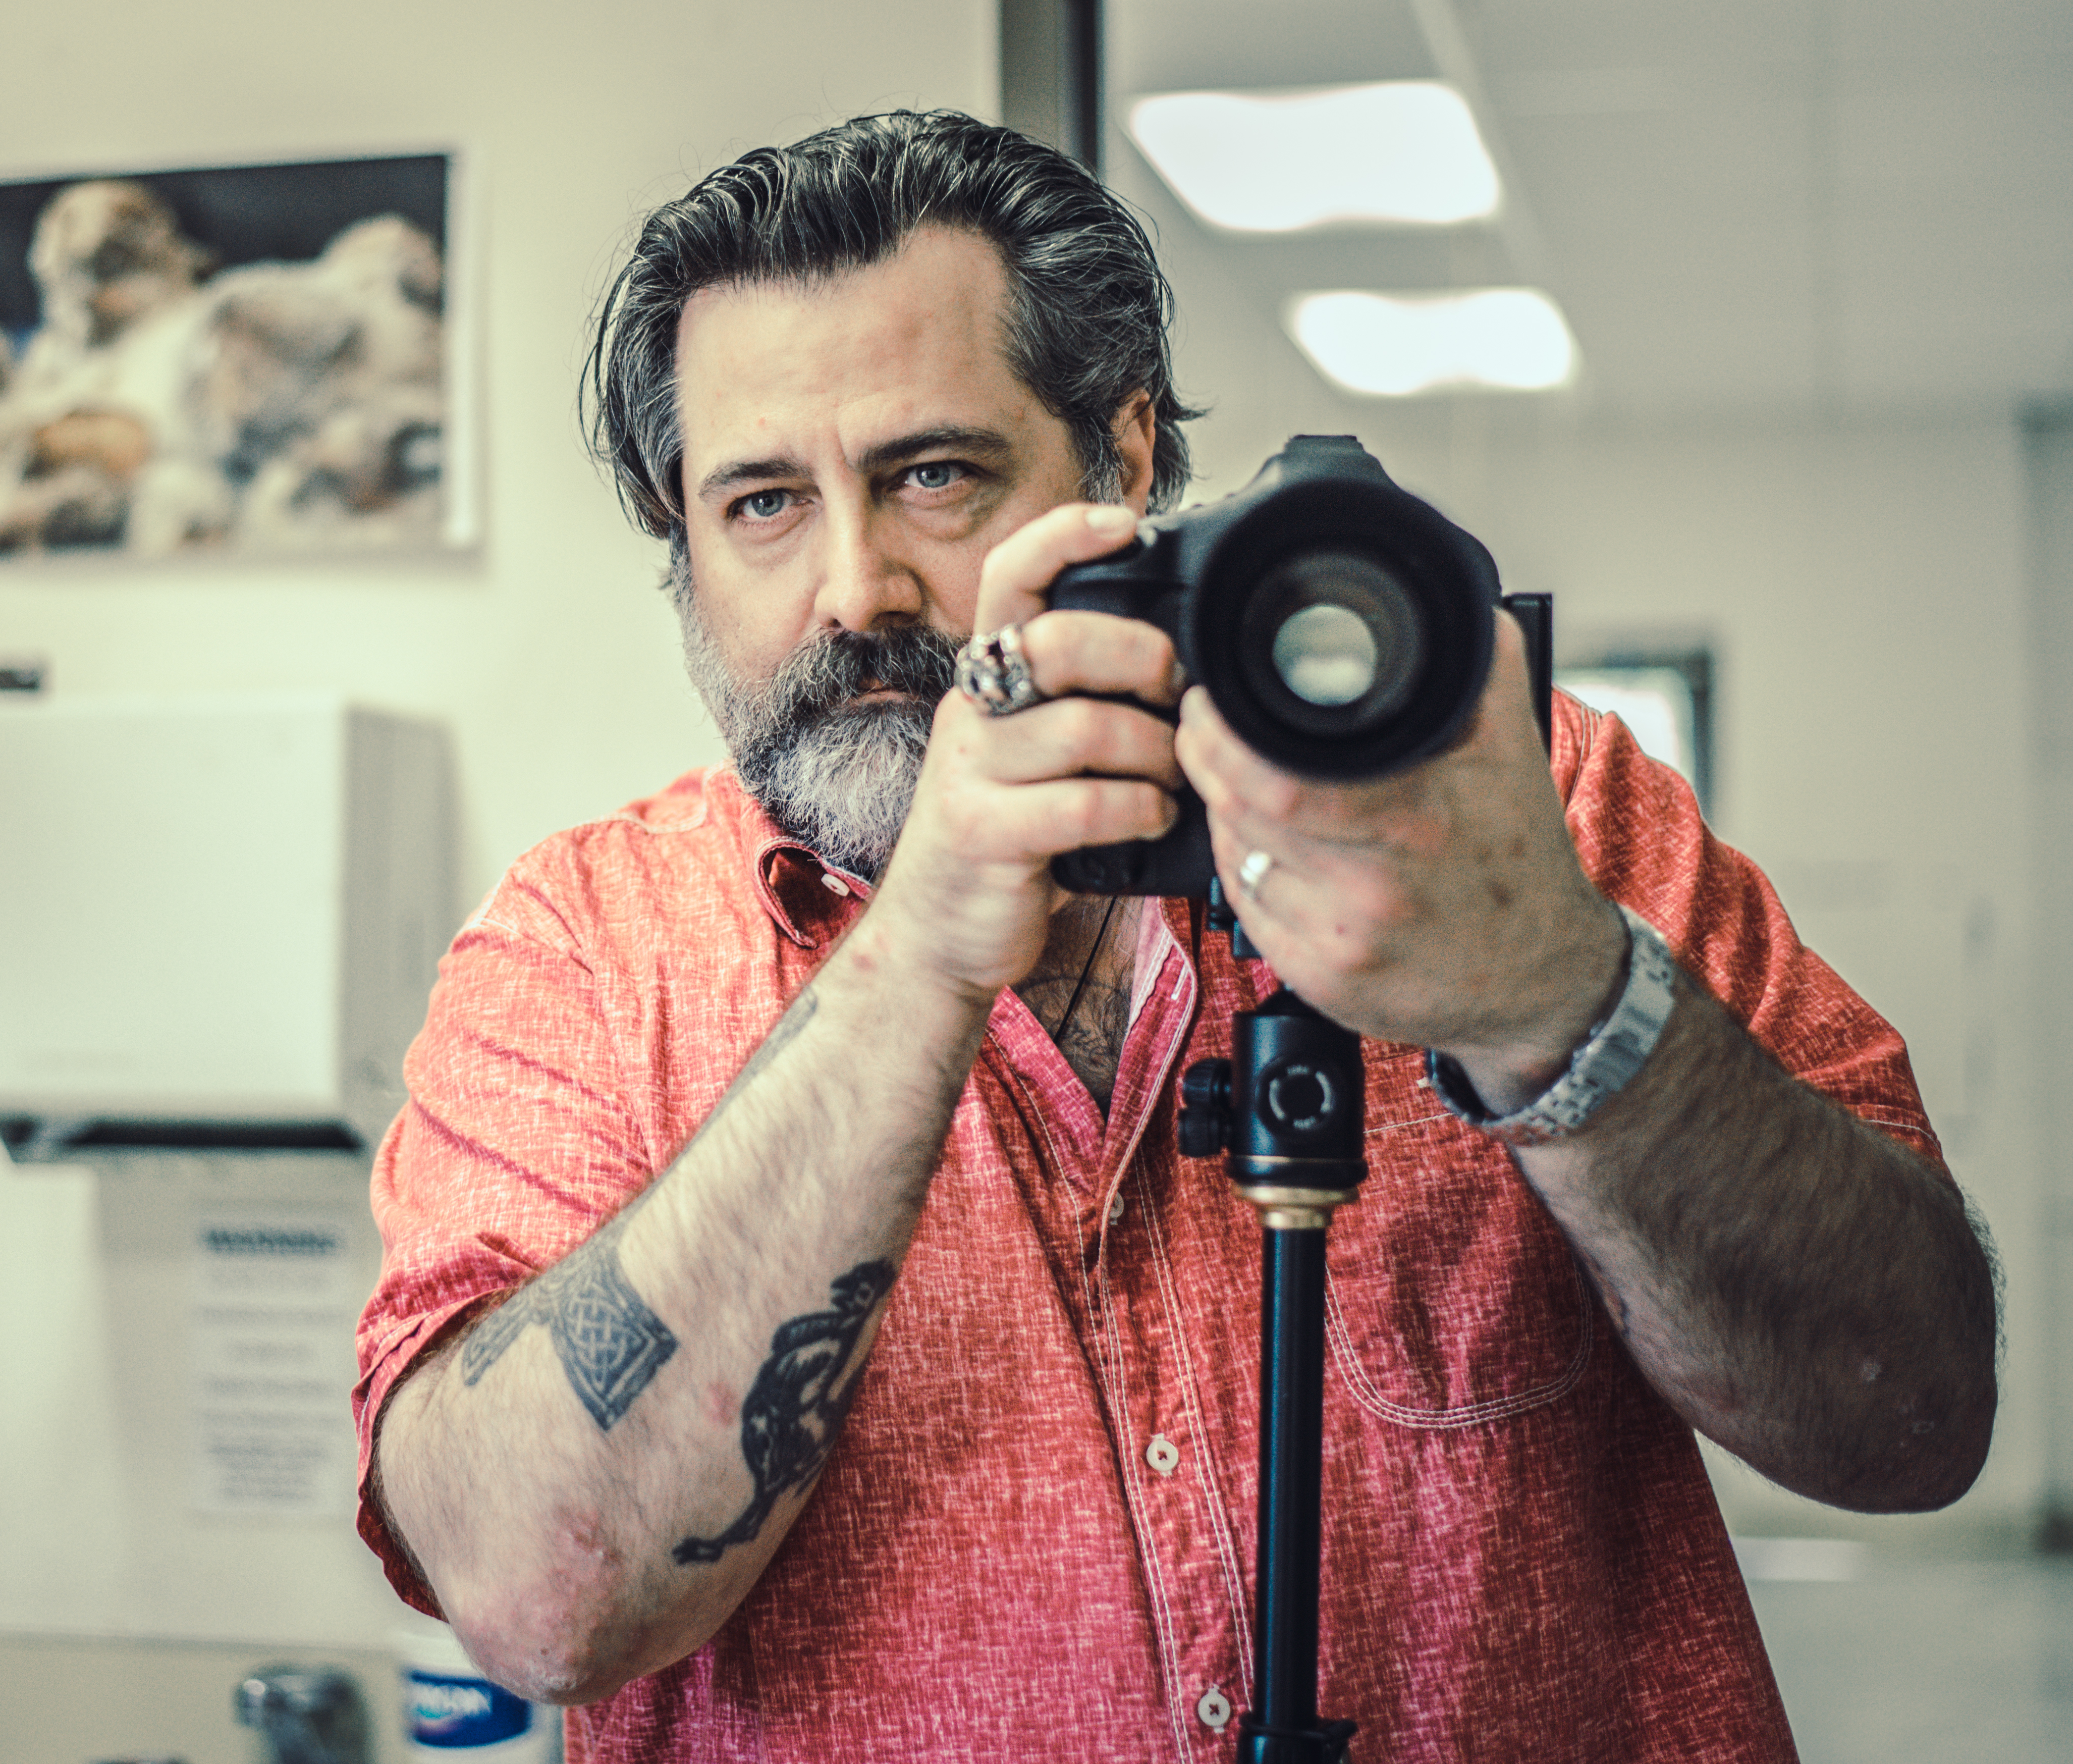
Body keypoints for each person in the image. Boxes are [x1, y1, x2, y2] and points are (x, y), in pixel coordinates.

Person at [349, 111, 1996, 1762]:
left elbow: (1914, 1415)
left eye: (934, 476)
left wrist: (1561, 994)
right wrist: (920, 952)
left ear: (1124, 459)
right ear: (685, 543)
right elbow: (528, 1594)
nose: (857, 590)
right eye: (764, 503)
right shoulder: (577, 948)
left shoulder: (1510, 800)